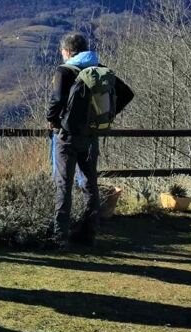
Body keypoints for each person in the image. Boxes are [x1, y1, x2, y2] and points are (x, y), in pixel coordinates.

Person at [47, 33, 134, 247]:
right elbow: (126, 94)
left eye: (62, 52)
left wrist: (53, 120)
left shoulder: (64, 71)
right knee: (89, 184)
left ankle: (60, 236)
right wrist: (105, 116)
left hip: (66, 137)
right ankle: (88, 234)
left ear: (67, 51)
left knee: (63, 185)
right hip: (91, 135)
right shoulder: (100, 70)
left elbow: (56, 101)